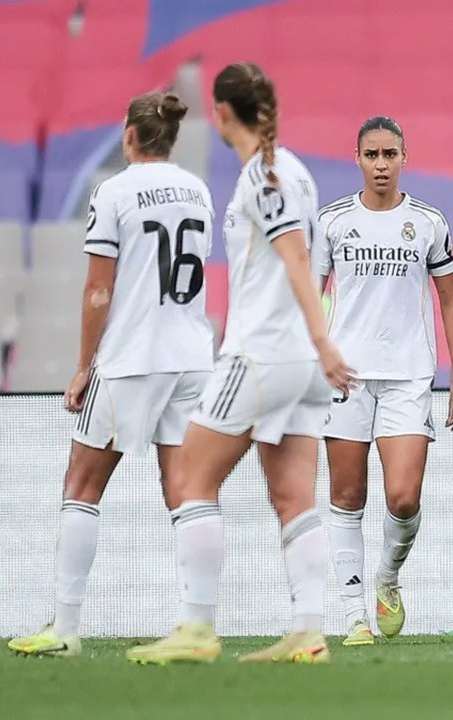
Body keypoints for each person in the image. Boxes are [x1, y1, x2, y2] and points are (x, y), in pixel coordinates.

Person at [126, 62, 353, 665]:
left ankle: (197, 629)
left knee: (190, 480)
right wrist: (319, 349)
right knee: (293, 497)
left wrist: (324, 339)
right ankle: (308, 632)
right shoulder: (296, 171)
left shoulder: (266, 174)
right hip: (301, 365)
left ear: (222, 113)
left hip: (263, 355)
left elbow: (298, 260)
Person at [8, 92, 213, 658]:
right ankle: (196, 628)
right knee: (188, 492)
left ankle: (65, 631)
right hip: (193, 354)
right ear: (168, 138)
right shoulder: (196, 189)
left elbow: (100, 288)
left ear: (128, 135)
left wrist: (83, 367)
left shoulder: (114, 191)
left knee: (82, 483)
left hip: (132, 357)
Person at [314, 116, 453, 647]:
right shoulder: (332, 221)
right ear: (357, 159)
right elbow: (313, 295)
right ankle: (353, 615)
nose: (381, 164)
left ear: (405, 157)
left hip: (408, 375)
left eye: (389, 154)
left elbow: (450, 299)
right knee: (347, 495)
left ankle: (387, 574)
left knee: (403, 497)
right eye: (371, 155)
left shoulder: (428, 221)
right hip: (347, 377)